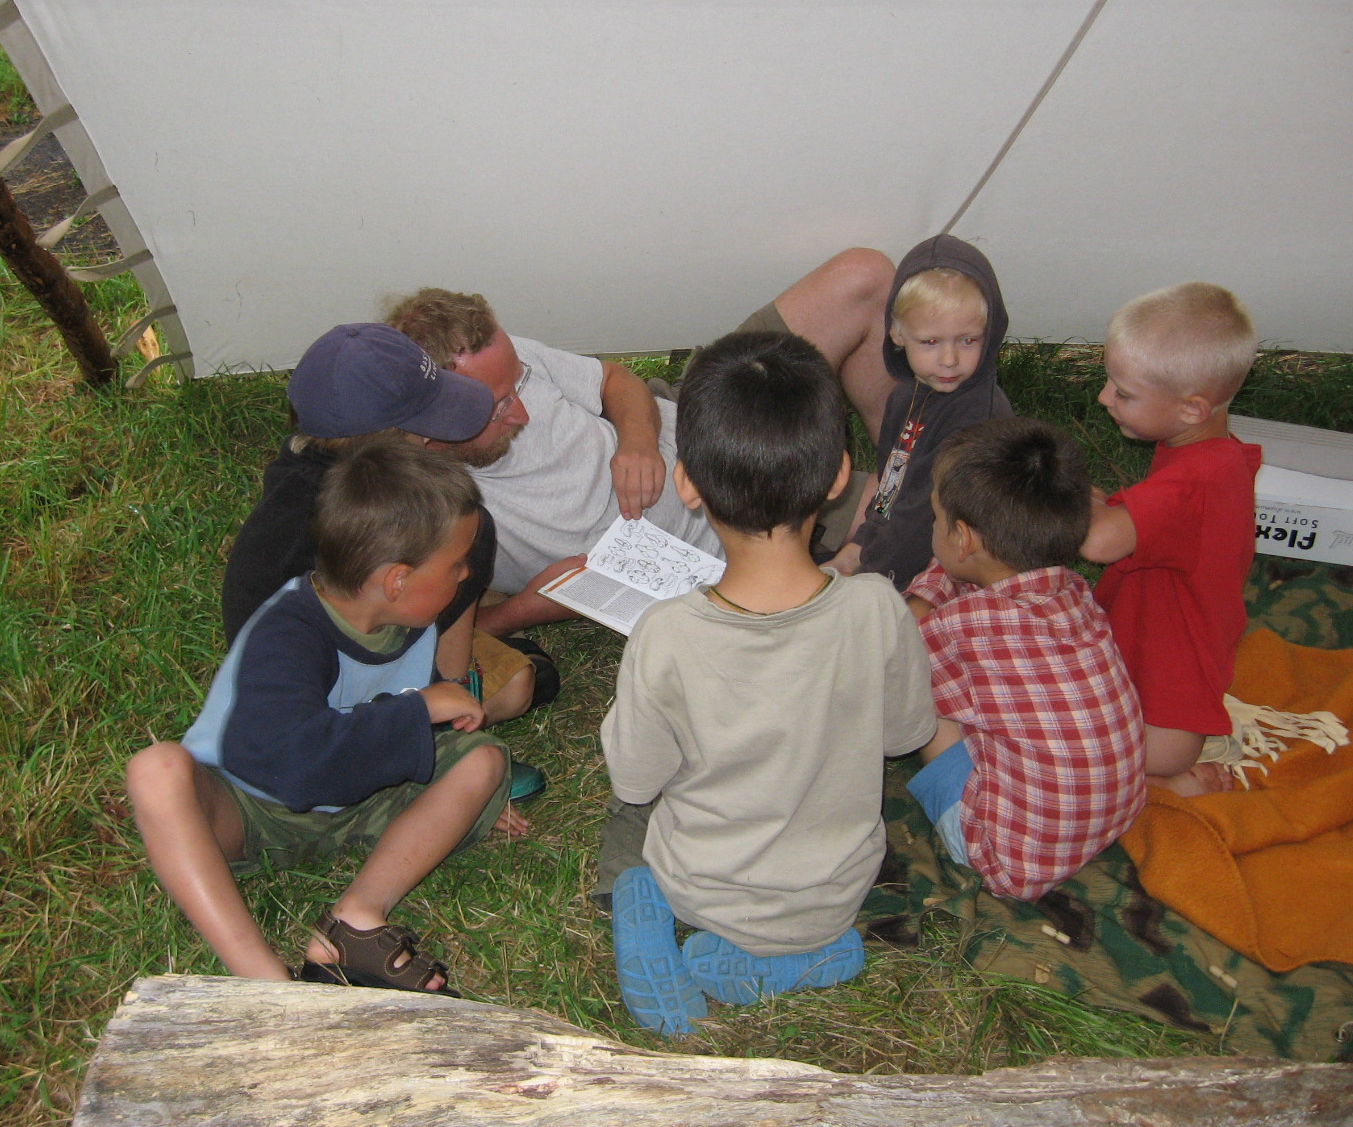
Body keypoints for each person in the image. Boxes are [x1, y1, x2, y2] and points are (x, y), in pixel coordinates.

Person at [597, 333, 937, 1035]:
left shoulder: (666, 634)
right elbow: (907, 735)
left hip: (698, 889)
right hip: (835, 893)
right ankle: (804, 956)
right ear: (839, 476)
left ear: (687, 483)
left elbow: (634, 779)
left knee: (627, 827)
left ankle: (642, 914)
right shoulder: (877, 607)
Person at [126, 441, 525, 993]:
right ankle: (269, 983)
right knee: (156, 771)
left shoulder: (408, 615)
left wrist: (455, 793)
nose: (466, 574)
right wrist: (419, 710)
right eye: (456, 564)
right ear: (397, 580)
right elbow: (297, 766)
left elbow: (385, 726)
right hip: (253, 807)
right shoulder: (287, 632)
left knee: (482, 762)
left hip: (362, 796)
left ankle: (356, 919)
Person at [386, 248, 898, 636]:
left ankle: (896, 449)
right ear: (431, 434)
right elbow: (428, 636)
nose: (521, 412)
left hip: (694, 410)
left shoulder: (490, 357)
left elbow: (613, 380)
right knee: (906, 509)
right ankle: (892, 482)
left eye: (518, 384)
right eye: (496, 408)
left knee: (865, 275)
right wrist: (524, 611)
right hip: (753, 521)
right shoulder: (415, 503)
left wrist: (637, 442)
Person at [219, 322, 557, 757]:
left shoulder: (301, 472)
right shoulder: (419, 519)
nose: (435, 436)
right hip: (339, 709)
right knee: (522, 681)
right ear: (390, 443)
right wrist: (453, 707)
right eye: (425, 428)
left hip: (283, 681)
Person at [903, 418, 1146, 902]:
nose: (932, 526)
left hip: (1009, 861)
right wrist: (929, 597)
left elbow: (886, 677)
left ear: (963, 538)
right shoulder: (1072, 591)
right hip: (1117, 814)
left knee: (924, 696)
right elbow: (957, 571)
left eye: (935, 517)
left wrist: (912, 618)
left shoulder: (960, 632)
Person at [1081, 283, 1262, 797]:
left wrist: (1067, 494)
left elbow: (1098, 543)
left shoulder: (1195, 481)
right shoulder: (1211, 454)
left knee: (1075, 749)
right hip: (1160, 641)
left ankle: (1164, 784)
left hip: (1166, 698)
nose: (1104, 397)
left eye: (1124, 393)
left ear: (1191, 409)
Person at [827, 234, 1012, 590]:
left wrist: (874, 577)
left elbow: (919, 517)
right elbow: (892, 487)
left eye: (967, 340)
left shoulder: (978, 419)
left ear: (989, 334)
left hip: (959, 570)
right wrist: (857, 549)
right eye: (930, 342)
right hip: (904, 554)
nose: (949, 359)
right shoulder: (905, 398)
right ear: (897, 334)